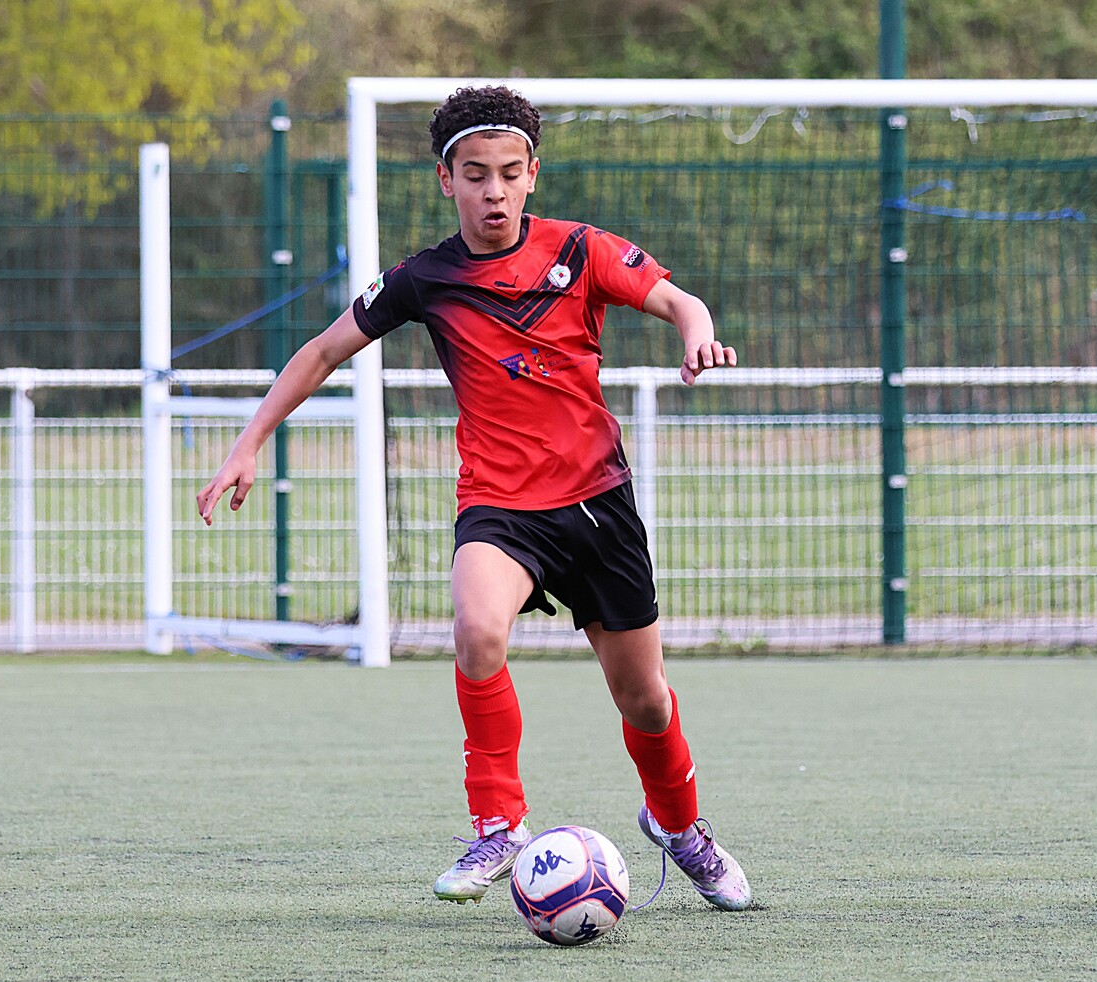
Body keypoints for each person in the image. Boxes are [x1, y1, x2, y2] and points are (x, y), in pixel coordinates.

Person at [195, 85, 752, 912]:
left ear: (533, 175)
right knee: (477, 627)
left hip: (598, 504)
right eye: (476, 174)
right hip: (499, 504)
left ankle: (679, 826)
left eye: (509, 174)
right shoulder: (425, 277)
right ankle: (500, 823)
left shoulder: (581, 250)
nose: (494, 191)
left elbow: (679, 299)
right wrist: (249, 441)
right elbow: (321, 352)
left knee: (644, 697)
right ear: (444, 180)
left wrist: (696, 333)